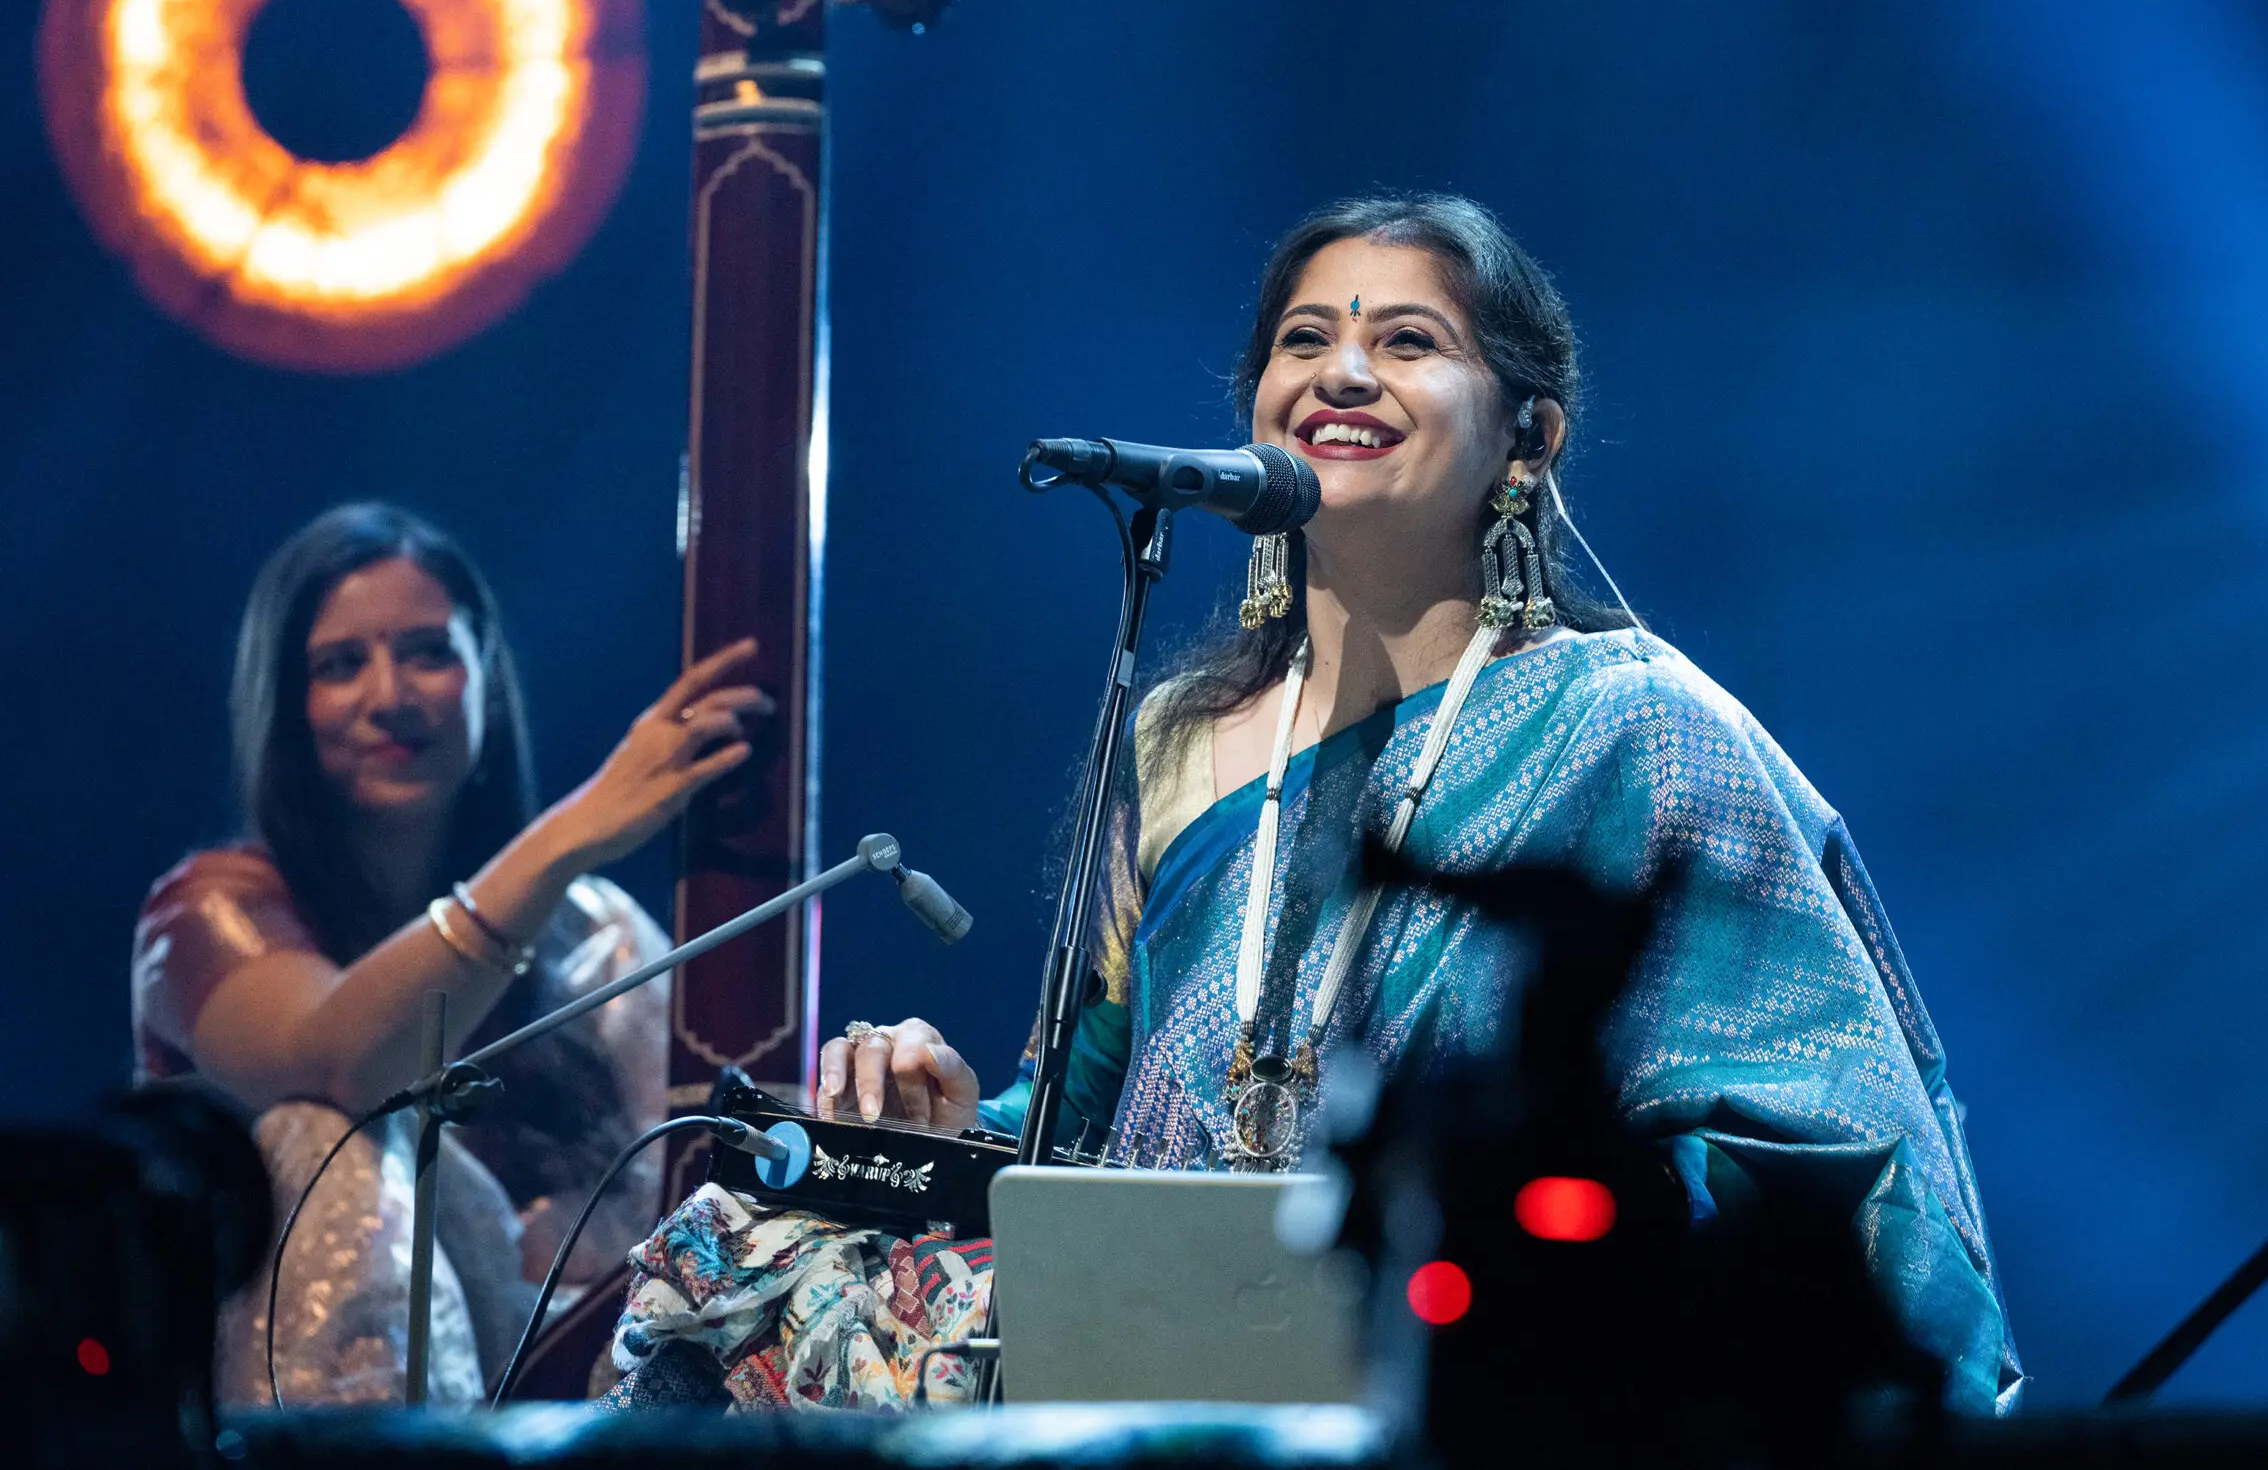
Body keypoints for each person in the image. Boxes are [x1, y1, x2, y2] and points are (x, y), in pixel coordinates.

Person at [613, 194, 2024, 1414]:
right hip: (1157, 1326)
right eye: (1304, 340)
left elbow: (1824, 1124)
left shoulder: (1635, 726)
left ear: (1528, 436)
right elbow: (1085, 1109)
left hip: (1466, 1325)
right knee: (734, 1248)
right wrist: (951, 1119)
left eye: (1407, 341)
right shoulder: (1178, 736)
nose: (1341, 371)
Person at [134, 502, 768, 1402]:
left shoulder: (594, 932)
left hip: (581, 1410)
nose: (391, 696)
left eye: (429, 652)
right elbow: (343, 1067)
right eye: (341, 665)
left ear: (486, 682)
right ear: (285, 704)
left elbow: (714, 1177)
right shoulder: (206, 913)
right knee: (324, 1137)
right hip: (261, 1419)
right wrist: (572, 832)